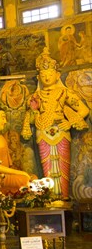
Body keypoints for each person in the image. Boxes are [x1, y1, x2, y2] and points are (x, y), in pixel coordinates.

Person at [22, 54, 89, 198]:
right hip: (43, 132)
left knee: (63, 164)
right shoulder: (36, 96)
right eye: (43, 74)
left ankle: (64, 197)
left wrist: (69, 122)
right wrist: (34, 110)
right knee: (47, 164)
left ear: (57, 75)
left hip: (61, 131)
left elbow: (84, 110)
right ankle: (50, 196)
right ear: (39, 77)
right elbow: (32, 120)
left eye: (50, 74)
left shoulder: (64, 92)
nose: (47, 77)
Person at [0, 105, 32, 194]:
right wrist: (17, 173)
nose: (5, 121)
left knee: (32, 177)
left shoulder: (1, 137)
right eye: (2, 118)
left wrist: (18, 172)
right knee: (24, 180)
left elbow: (8, 164)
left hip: (5, 174)